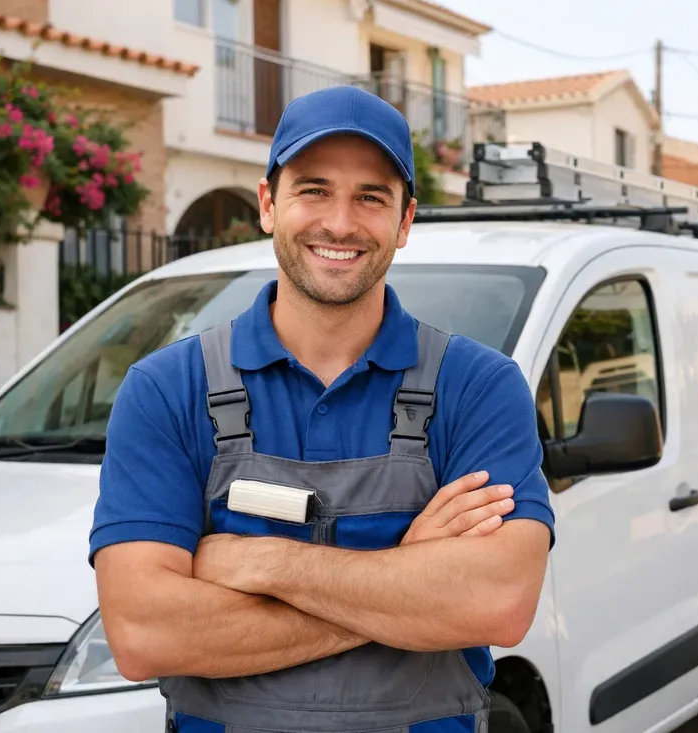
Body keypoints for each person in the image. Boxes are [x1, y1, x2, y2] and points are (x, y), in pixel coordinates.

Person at [89, 84, 555, 733]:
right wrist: (407, 576)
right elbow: (143, 632)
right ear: (267, 204)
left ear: (405, 220)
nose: (340, 223)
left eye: (371, 196)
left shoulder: (478, 387)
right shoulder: (168, 389)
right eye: (313, 189)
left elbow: (498, 602)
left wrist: (262, 563)